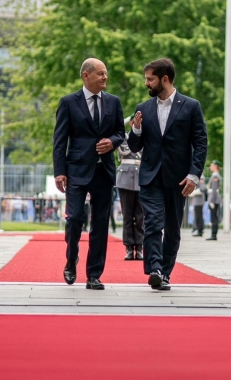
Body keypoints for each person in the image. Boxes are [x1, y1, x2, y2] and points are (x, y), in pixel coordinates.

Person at [127, 58, 209, 291]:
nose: (146, 83)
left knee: (172, 228)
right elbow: (134, 146)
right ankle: (154, 269)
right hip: (150, 177)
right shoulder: (143, 108)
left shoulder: (191, 106)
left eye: (150, 79)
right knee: (152, 221)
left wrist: (194, 174)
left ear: (165, 79)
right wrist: (136, 130)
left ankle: (165, 273)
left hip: (179, 179)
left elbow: (200, 143)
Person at [52, 58, 126, 290]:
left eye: (106, 74)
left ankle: (94, 274)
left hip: (104, 171)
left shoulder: (114, 102)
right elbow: (59, 141)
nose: (105, 77)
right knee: (74, 218)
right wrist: (59, 172)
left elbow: (120, 133)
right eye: (100, 74)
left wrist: (112, 142)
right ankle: (71, 258)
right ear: (86, 76)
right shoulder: (68, 103)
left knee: (100, 224)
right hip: (76, 170)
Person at [116, 139, 144, 260]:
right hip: (125, 179)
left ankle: (139, 247)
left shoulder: (146, 136)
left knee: (140, 217)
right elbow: (123, 151)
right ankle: (128, 247)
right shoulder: (124, 139)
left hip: (141, 179)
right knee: (127, 216)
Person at [206, 162, 222, 240]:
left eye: (211, 165)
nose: (210, 167)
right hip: (213, 199)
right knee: (213, 217)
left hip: (214, 199)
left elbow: (214, 189)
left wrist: (212, 200)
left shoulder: (215, 176)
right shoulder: (214, 175)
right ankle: (213, 234)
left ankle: (214, 235)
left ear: (215, 166)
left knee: (214, 218)